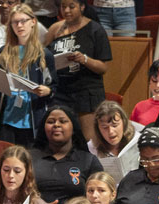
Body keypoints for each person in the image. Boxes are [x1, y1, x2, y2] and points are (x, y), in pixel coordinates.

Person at [0, 4, 57, 147]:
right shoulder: (3, 53)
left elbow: (54, 86)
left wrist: (48, 91)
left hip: (32, 120)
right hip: (7, 120)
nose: (19, 25)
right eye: (15, 22)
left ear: (33, 22)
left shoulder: (44, 54)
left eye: (23, 21)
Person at [47, 0, 112, 142]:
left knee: (88, 140)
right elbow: (42, 55)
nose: (67, 11)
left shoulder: (95, 30)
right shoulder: (55, 29)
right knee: (59, 138)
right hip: (61, 90)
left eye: (72, 7)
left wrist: (85, 60)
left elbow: (103, 67)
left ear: (82, 7)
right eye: (63, 7)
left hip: (86, 90)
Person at [31, 104, 103, 204]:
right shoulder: (28, 158)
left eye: (63, 121)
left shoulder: (88, 161)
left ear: (73, 127)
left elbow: (100, 198)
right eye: (51, 122)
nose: (56, 125)